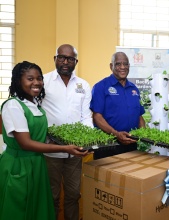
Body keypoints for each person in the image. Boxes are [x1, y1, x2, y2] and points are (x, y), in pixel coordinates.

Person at [0, 61, 88, 220]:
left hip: (37, 163)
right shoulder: (13, 105)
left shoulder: (35, 105)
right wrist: (64, 148)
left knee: (36, 207)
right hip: (19, 165)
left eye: (39, 78)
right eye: (30, 79)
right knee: (19, 207)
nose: (36, 83)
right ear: (18, 81)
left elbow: (38, 135)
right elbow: (25, 143)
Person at [42, 44, 93, 220]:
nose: (65, 62)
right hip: (51, 151)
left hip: (75, 154)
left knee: (73, 195)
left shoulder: (83, 85)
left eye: (70, 59)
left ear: (75, 61)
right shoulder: (43, 81)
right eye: (62, 57)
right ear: (55, 59)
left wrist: (87, 141)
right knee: (52, 196)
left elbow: (86, 116)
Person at [90, 51, 145, 159]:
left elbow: (139, 116)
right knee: (106, 176)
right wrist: (116, 134)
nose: (122, 67)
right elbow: (97, 117)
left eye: (125, 64)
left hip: (131, 145)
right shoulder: (100, 87)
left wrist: (143, 134)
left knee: (131, 174)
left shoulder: (134, 89)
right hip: (108, 145)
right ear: (111, 66)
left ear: (129, 66)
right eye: (118, 64)